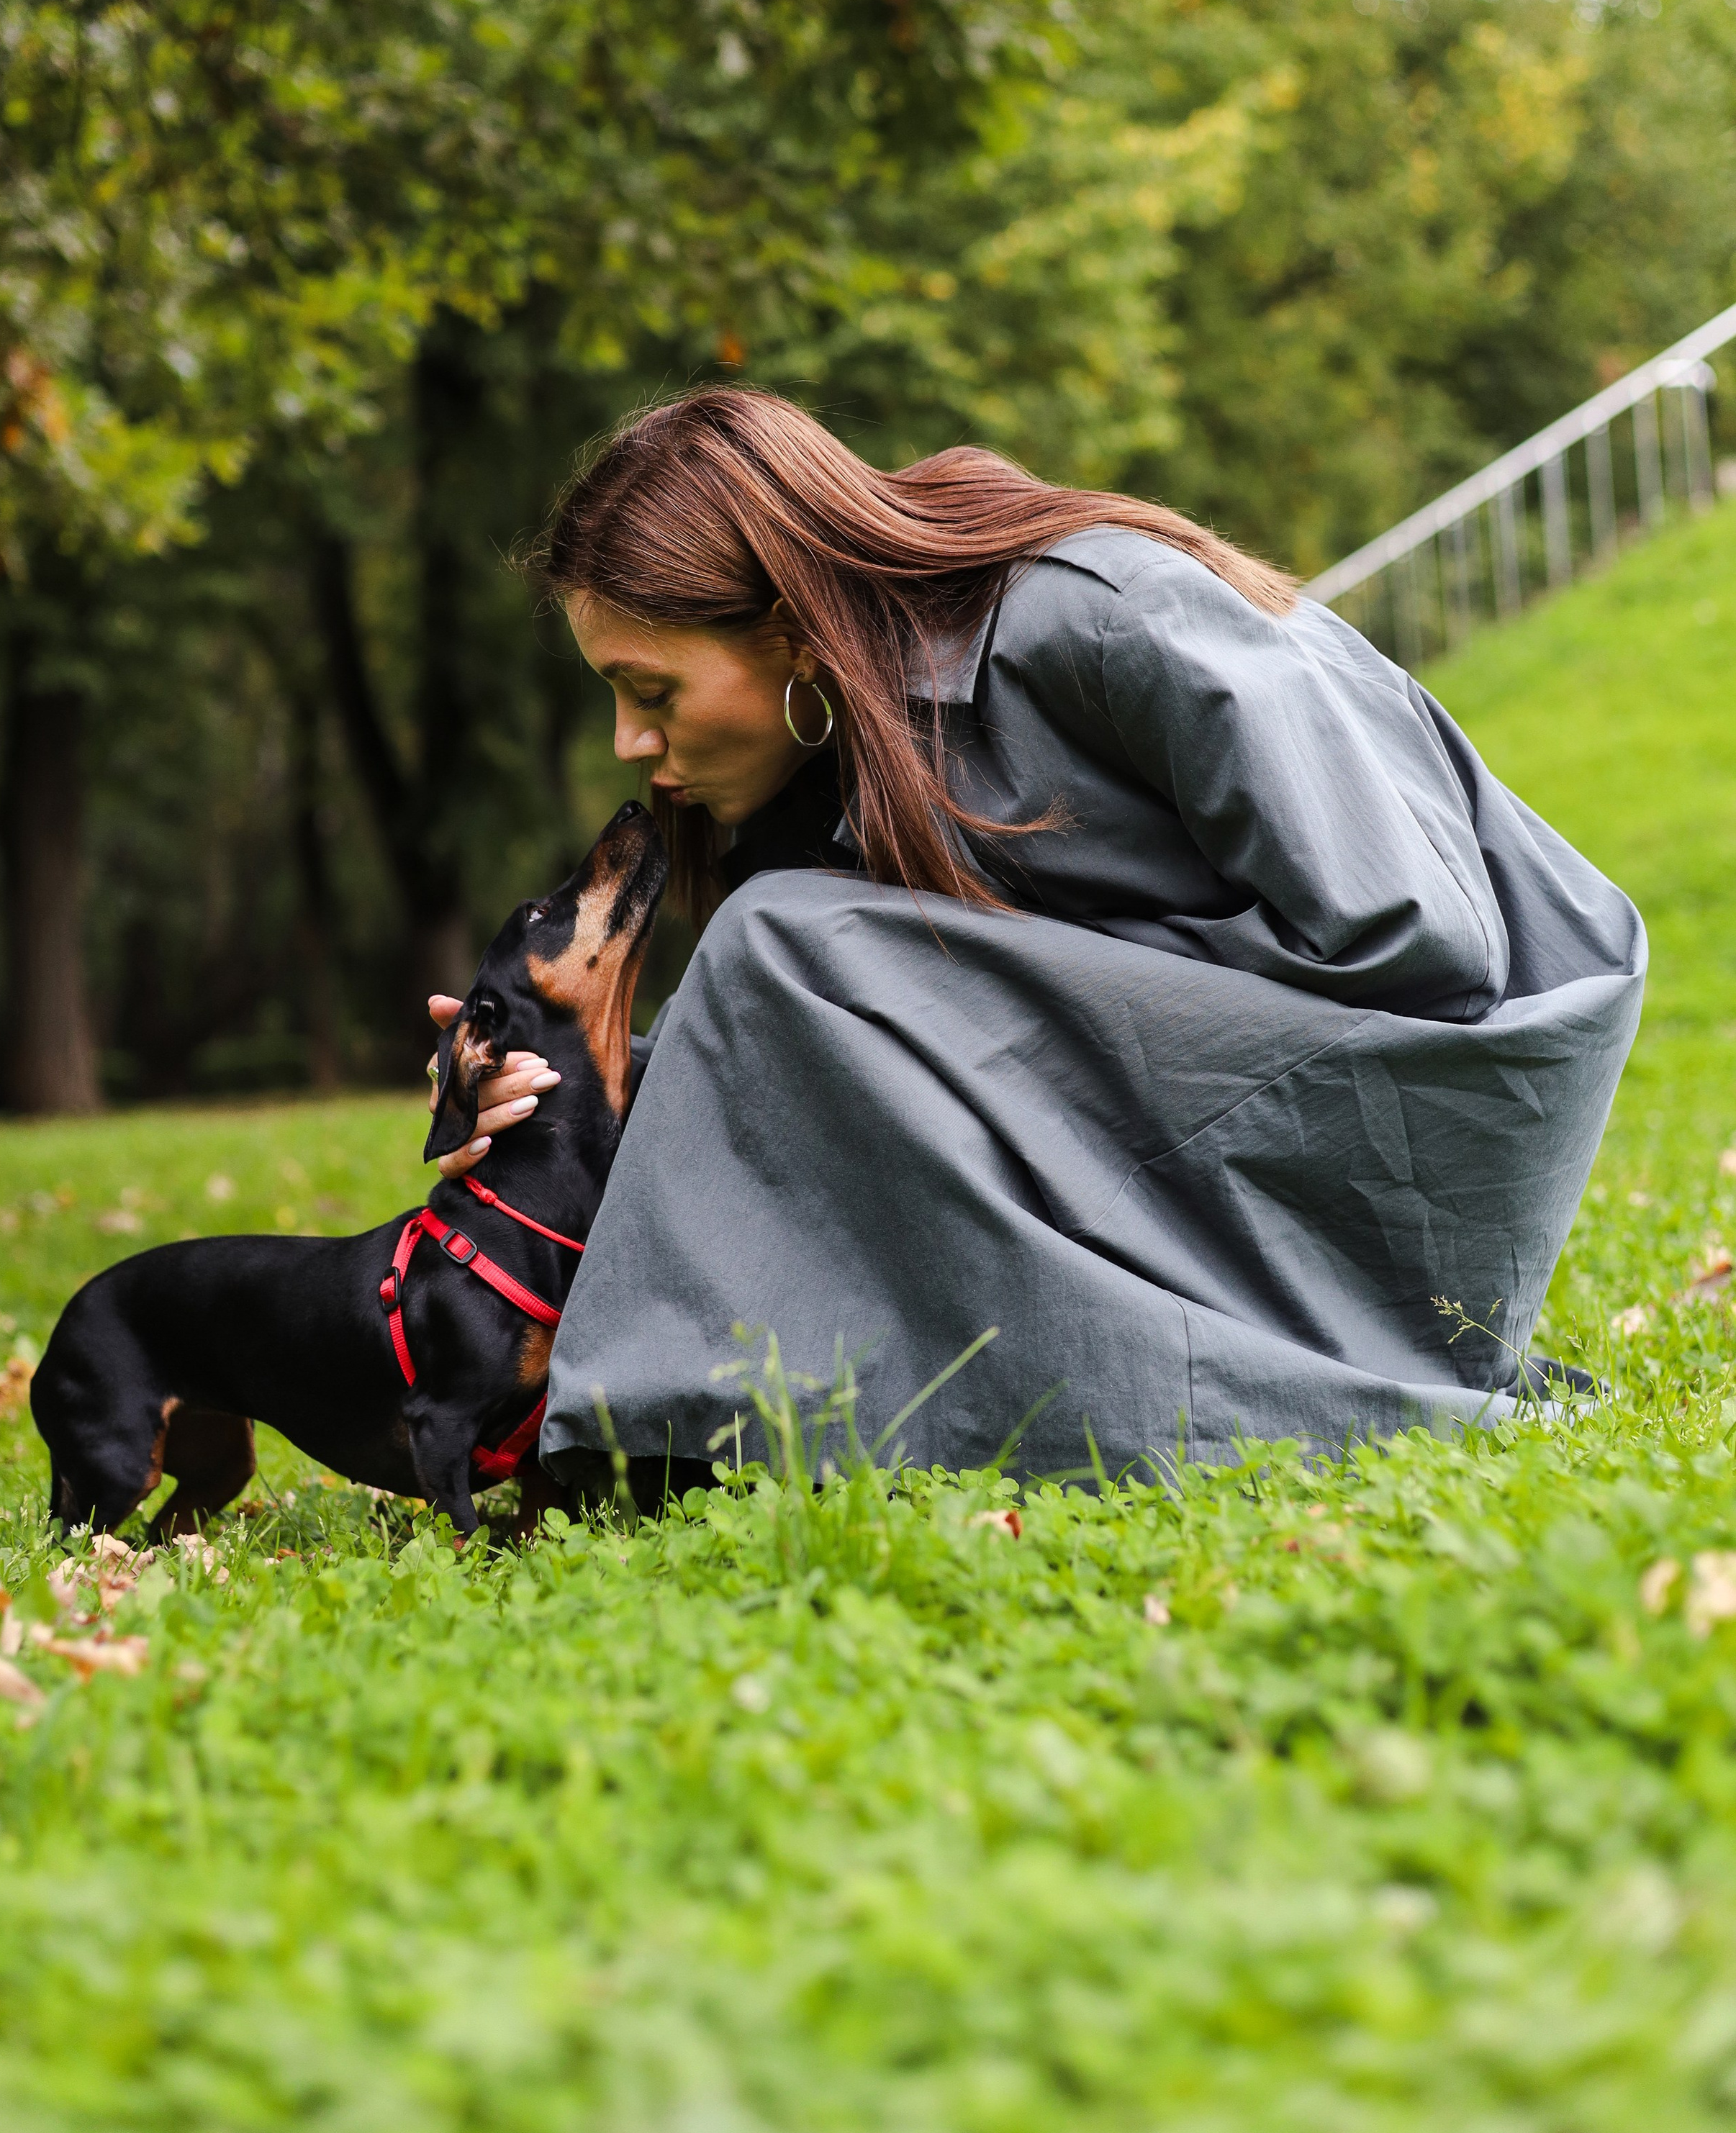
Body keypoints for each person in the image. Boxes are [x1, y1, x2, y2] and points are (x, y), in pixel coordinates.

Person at [430, 389, 1643, 1490]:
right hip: (1244, 1113)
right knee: (786, 956)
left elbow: (1425, 941)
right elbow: (867, 1057)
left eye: (653, 692)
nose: (628, 747)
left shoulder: (1102, 613)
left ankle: (660, 1440)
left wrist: (1023, 1012)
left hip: (1435, 1127)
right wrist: (574, 1084)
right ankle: (699, 1427)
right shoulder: (845, 768)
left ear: (796, 633)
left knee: (784, 949)